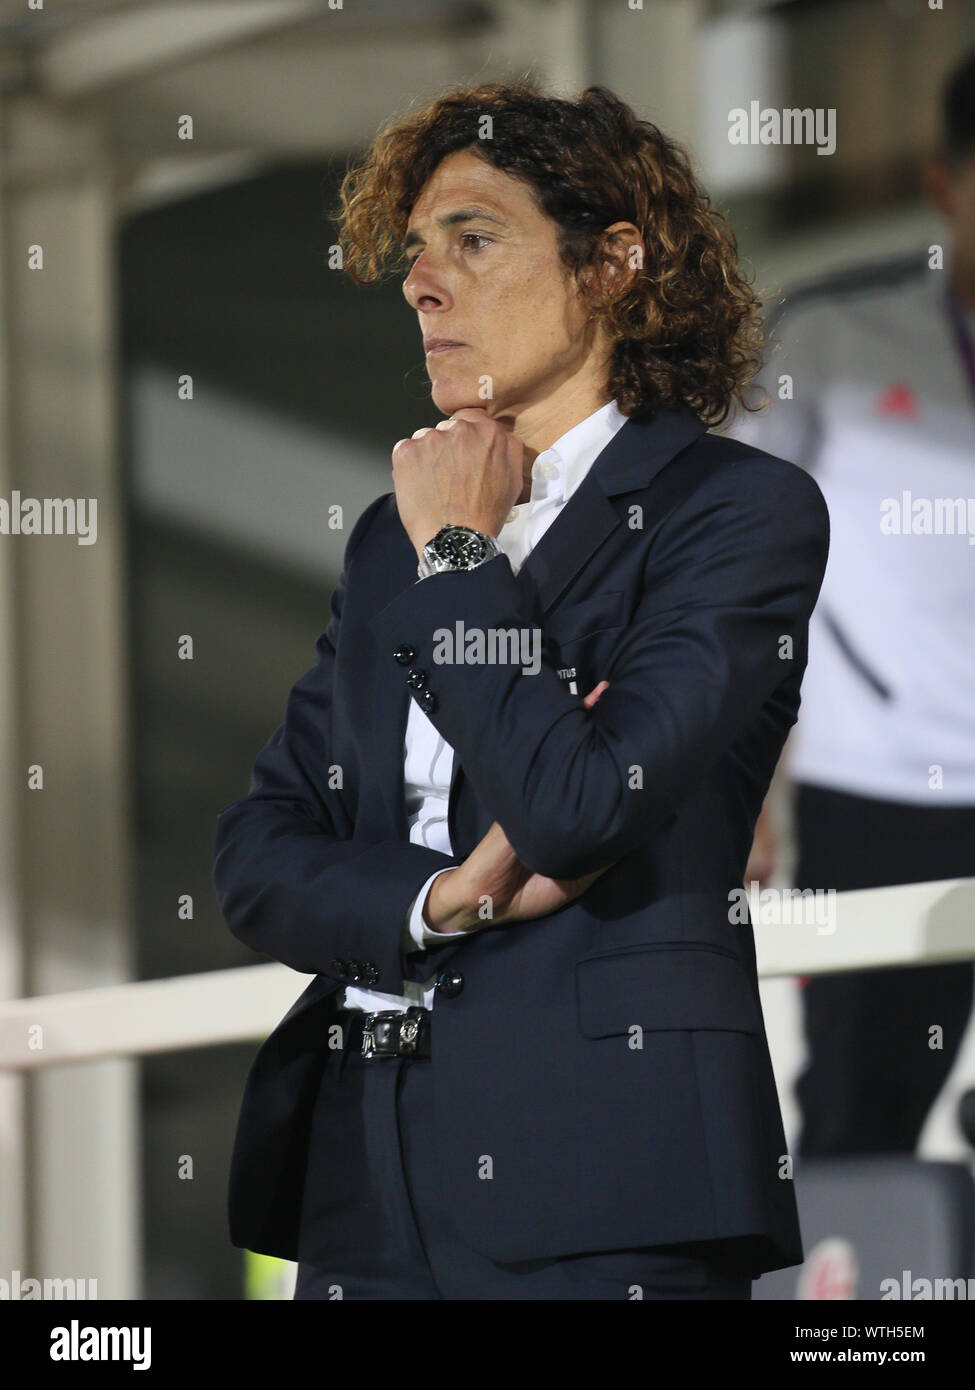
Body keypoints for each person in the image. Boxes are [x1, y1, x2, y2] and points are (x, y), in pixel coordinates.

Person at [213, 80, 829, 1300]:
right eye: (416, 253)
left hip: (612, 1184)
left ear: (612, 265)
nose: (421, 283)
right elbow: (258, 855)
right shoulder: (390, 539)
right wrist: (442, 900)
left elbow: (575, 806)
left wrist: (460, 560)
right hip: (365, 1189)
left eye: (474, 238)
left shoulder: (737, 512)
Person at [733, 50, 975, 1158]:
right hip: (879, 784)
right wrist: (734, 784)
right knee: (860, 1111)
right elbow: (728, 568)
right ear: (944, 184)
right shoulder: (828, 342)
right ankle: (845, 1328)